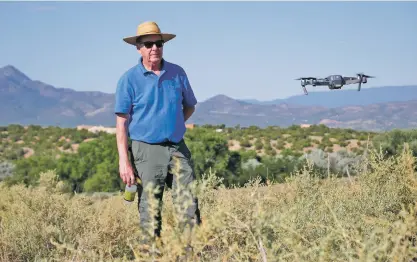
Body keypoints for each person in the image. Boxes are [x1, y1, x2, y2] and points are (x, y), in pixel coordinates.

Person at [114, 21, 201, 248]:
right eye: (149, 44)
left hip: (177, 146)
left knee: (189, 203)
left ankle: (190, 254)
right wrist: (124, 162)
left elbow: (190, 105)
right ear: (138, 47)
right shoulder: (129, 79)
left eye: (159, 43)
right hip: (146, 149)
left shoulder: (177, 73)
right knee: (150, 208)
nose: (155, 48)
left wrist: (175, 123)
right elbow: (121, 123)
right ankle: (152, 254)